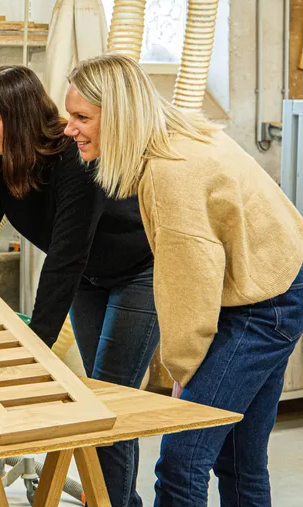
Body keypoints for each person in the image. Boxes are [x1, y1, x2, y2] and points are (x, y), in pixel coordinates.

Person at [65, 54, 303, 507]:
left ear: (119, 116)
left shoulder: (169, 171)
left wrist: (181, 368)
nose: (70, 128)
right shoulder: (181, 133)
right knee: (240, 459)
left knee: (181, 458)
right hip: (280, 283)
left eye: (82, 118)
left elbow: (188, 282)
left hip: (264, 306)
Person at [0, 66, 156, 507]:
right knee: (95, 399)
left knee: (109, 397)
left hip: (139, 273)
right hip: (89, 278)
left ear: (21, 117)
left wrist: (36, 348)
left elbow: (66, 256)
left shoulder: (73, 157)